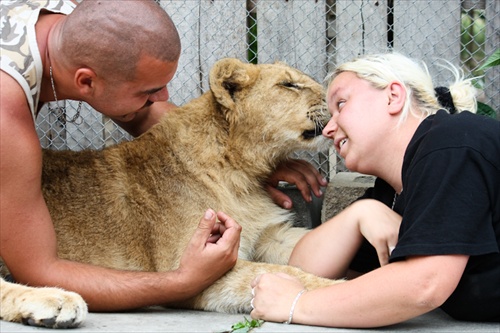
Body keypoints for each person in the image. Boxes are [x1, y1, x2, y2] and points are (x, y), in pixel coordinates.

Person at [0, 0, 325, 312]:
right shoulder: (6, 115)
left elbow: (144, 115)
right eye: (148, 92)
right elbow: (39, 271)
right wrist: (181, 283)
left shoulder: (81, 21)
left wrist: (241, 156)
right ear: (86, 82)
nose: (164, 98)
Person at [250, 52, 500, 327]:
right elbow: (303, 271)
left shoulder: (450, 143)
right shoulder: (393, 192)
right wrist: (361, 213)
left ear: (393, 96)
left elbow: (424, 285)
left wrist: (297, 305)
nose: (329, 129)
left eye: (341, 104)